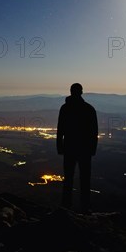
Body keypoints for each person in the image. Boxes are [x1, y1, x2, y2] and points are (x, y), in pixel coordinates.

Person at [56, 83, 98, 212]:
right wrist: (92, 149)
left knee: (68, 178)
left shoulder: (65, 108)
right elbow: (93, 131)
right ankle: (85, 207)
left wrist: (60, 147)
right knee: (85, 179)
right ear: (81, 92)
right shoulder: (89, 109)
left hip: (69, 148)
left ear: (71, 91)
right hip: (85, 149)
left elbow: (60, 129)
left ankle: (65, 206)